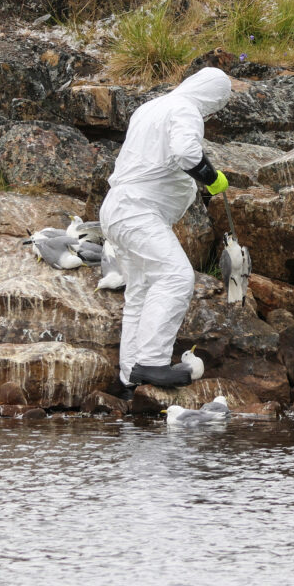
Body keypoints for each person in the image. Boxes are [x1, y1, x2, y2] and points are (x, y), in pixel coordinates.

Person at [100, 67, 233, 390]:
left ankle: (131, 376)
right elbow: (186, 152)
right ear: (213, 97)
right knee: (176, 277)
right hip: (138, 211)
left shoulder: (150, 108)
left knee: (141, 290)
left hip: (118, 208)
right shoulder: (186, 109)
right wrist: (212, 178)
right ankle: (153, 363)